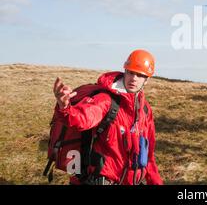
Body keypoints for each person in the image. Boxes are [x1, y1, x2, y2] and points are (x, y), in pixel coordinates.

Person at [52, 49, 163, 185]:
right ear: (125, 71)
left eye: (140, 75)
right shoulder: (106, 101)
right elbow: (82, 119)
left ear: (146, 80)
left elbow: (149, 157)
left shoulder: (145, 110)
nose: (134, 78)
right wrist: (64, 108)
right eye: (131, 72)